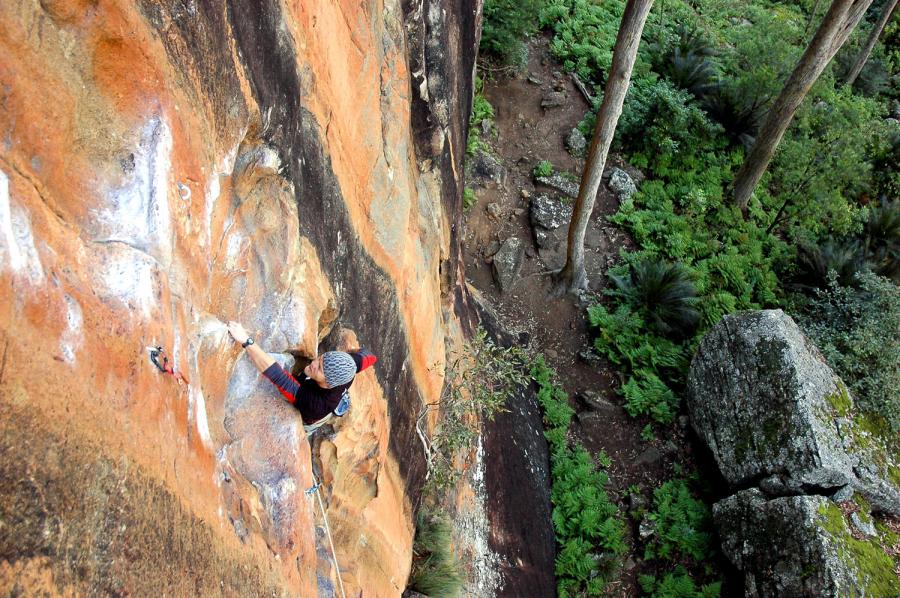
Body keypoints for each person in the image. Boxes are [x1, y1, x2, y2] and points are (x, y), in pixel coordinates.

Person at [227, 321, 376, 427]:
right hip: (323, 388)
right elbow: (369, 357)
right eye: (320, 359)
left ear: (329, 383)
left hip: (311, 413)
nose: (313, 363)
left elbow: (279, 377)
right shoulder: (349, 364)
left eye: (319, 369)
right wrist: (353, 351)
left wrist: (247, 341)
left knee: (307, 423)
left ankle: (327, 416)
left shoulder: (315, 405)